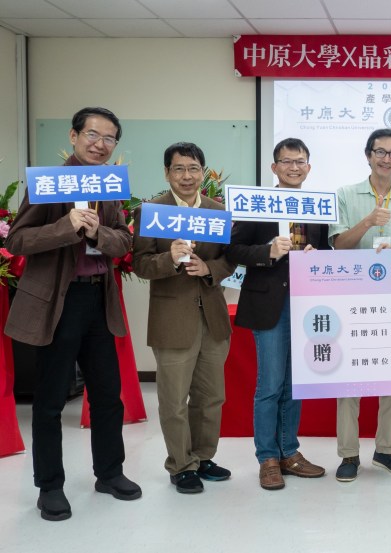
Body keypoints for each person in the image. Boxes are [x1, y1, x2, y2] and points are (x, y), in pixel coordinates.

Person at [4, 107, 141, 521]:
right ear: (74, 135)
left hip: (98, 299)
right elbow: (18, 239)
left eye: (109, 138)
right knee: (49, 401)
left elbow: (123, 242)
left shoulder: (110, 185)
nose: (100, 144)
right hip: (58, 302)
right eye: (93, 135)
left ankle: (109, 473)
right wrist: (67, 225)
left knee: (107, 395)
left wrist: (99, 232)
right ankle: (49, 486)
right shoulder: (48, 184)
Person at [133, 142, 236, 494]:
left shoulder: (218, 211)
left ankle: (203, 457)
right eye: (179, 169)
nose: (187, 176)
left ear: (203, 173)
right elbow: (140, 264)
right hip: (171, 318)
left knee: (211, 397)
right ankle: (181, 465)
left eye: (193, 168)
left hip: (213, 317)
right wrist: (170, 258)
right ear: (167, 173)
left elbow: (230, 259)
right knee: (174, 401)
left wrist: (210, 269)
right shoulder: (152, 212)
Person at [227, 138, 328, 490]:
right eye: (287, 161)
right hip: (268, 303)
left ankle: (290, 453)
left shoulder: (316, 206)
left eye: (300, 161)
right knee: (270, 384)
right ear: (274, 167)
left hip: (305, 304)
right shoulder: (257, 204)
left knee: (294, 384)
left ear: (308, 167)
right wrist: (267, 252)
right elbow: (233, 249)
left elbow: (326, 248)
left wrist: (318, 255)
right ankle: (267, 457)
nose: (294, 167)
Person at [328, 128, 391, 482]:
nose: (386, 158)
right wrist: (368, 221)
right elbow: (338, 245)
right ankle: (348, 454)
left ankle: (386, 449)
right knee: (349, 381)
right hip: (350, 300)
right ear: (368, 155)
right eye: (380, 151)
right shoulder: (344, 194)